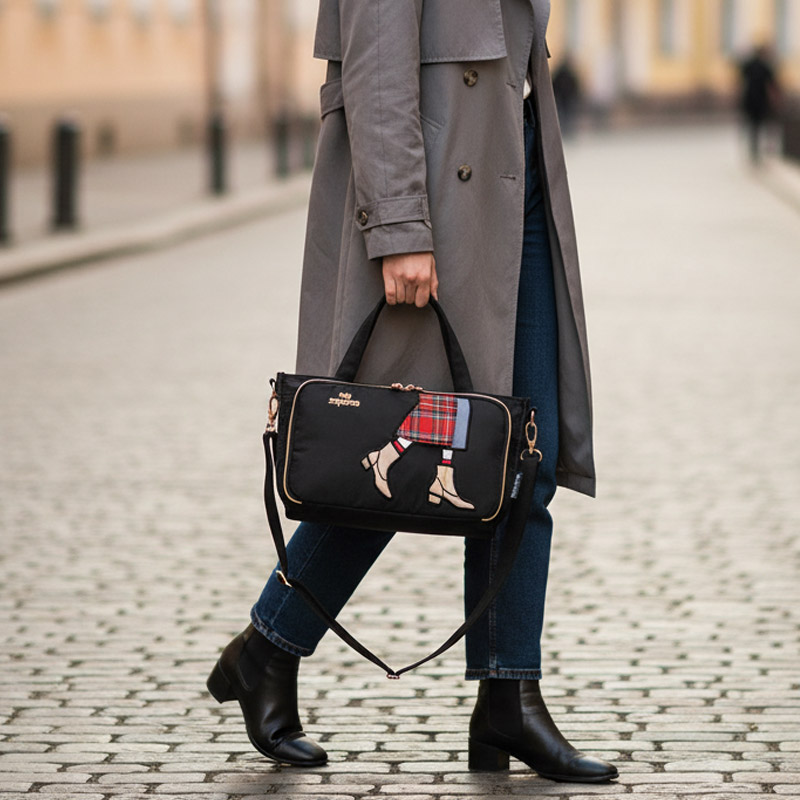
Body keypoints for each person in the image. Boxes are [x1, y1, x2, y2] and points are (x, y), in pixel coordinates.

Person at [206, 0, 617, 783]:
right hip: (434, 195)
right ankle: (268, 647)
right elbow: (375, 60)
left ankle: (508, 694)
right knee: (397, 461)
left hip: (517, 163)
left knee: (518, 460)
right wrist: (398, 226)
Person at [739, 44, 781, 164]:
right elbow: (773, 83)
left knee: (753, 125)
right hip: (762, 100)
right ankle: (764, 149)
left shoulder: (749, 65)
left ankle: (754, 148)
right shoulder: (766, 66)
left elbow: (741, 76)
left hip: (749, 99)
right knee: (764, 124)